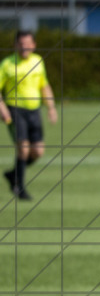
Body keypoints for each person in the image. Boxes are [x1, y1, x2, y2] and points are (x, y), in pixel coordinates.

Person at [0, 30, 58, 201]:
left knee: (38, 151)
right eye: (21, 44)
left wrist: (51, 107)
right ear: (15, 45)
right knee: (23, 149)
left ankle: (13, 174)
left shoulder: (38, 61)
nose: (24, 47)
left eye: (27, 44)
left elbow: (44, 85)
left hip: (34, 110)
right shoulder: (7, 64)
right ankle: (19, 186)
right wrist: (2, 108)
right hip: (15, 109)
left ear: (34, 45)